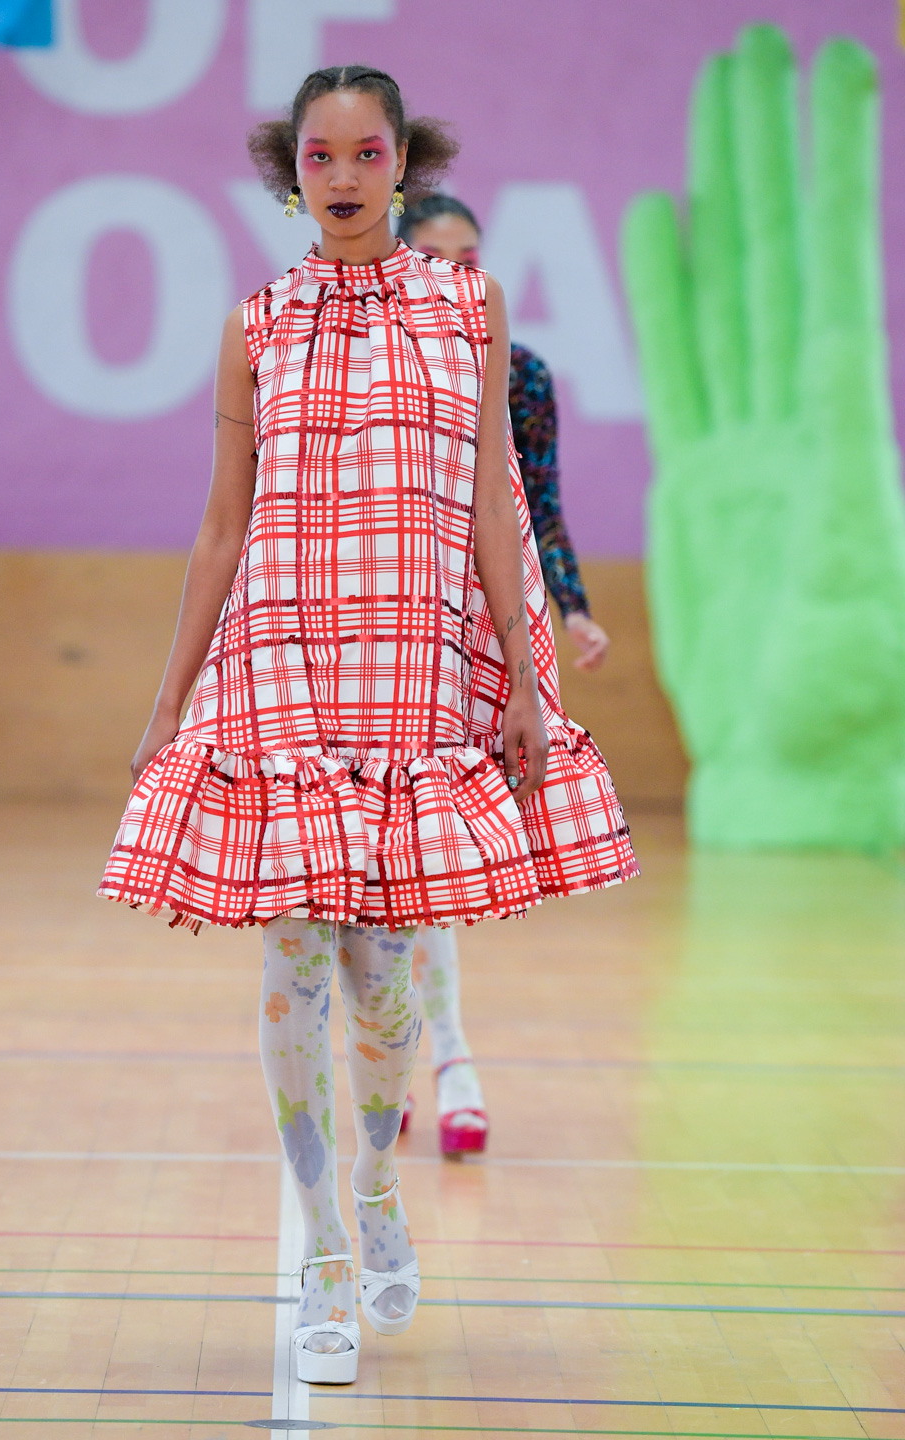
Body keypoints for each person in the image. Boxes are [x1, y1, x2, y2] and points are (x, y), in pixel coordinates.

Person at [99, 66, 637, 1386]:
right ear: (293, 172)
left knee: (385, 985)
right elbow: (220, 524)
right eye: (320, 155)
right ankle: (325, 1250)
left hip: (411, 673)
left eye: (367, 152)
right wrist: (168, 701)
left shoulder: (468, 308)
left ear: (405, 162)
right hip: (278, 665)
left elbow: (494, 505)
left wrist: (523, 675)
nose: (343, 176)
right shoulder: (258, 323)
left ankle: (378, 1182)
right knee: (292, 959)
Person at [395, 192, 610, 1158]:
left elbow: (538, 502)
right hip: (390, 625)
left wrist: (573, 608)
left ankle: (451, 1061)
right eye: (438, 257)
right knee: (386, 862)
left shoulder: (519, 372)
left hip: (482, 630)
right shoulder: (375, 360)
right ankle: (399, 1054)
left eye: (472, 255)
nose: (461, 273)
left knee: (433, 856)